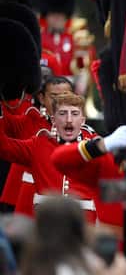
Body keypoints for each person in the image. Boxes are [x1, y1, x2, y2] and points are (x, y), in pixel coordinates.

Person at [0, 92, 126, 225]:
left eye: (75, 114)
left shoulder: (94, 149)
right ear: (53, 120)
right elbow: (4, 148)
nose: (69, 119)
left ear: (82, 120)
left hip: (84, 226)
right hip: (46, 225)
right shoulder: (39, 145)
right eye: (63, 113)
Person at [0, 76, 74, 217]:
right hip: (29, 199)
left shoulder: (86, 135)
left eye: (66, 96)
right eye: (54, 96)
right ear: (42, 98)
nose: (59, 101)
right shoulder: (32, 122)